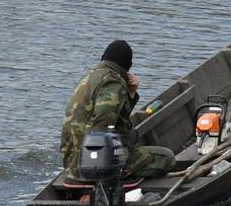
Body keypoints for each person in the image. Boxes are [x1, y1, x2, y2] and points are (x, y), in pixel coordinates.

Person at [59, 39, 175, 180]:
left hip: (71, 163)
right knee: (167, 157)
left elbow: (116, 118)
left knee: (133, 137)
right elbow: (101, 125)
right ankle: (119, 179)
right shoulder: (113, 82)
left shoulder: (90, 77)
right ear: (127, 66)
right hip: (91, 168)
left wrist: (130, 93)